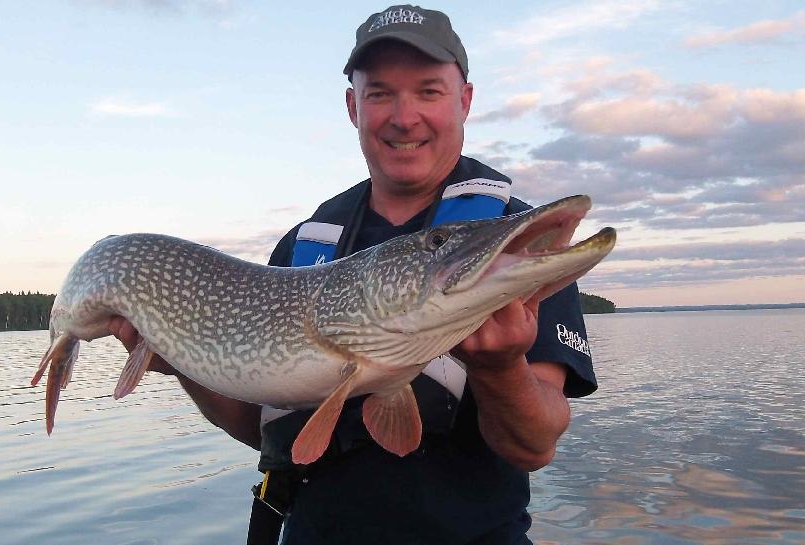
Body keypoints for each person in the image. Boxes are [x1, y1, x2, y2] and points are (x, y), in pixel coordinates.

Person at [109, 5, 597, 544]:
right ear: (353, 106)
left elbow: (535, 448)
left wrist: (502, 367)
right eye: (381, 92)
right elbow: (265, 428)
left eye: (429, 91)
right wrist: (178, 358)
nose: (404, 116)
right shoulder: (304, 246)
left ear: (465, 100)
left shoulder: (511, 246)